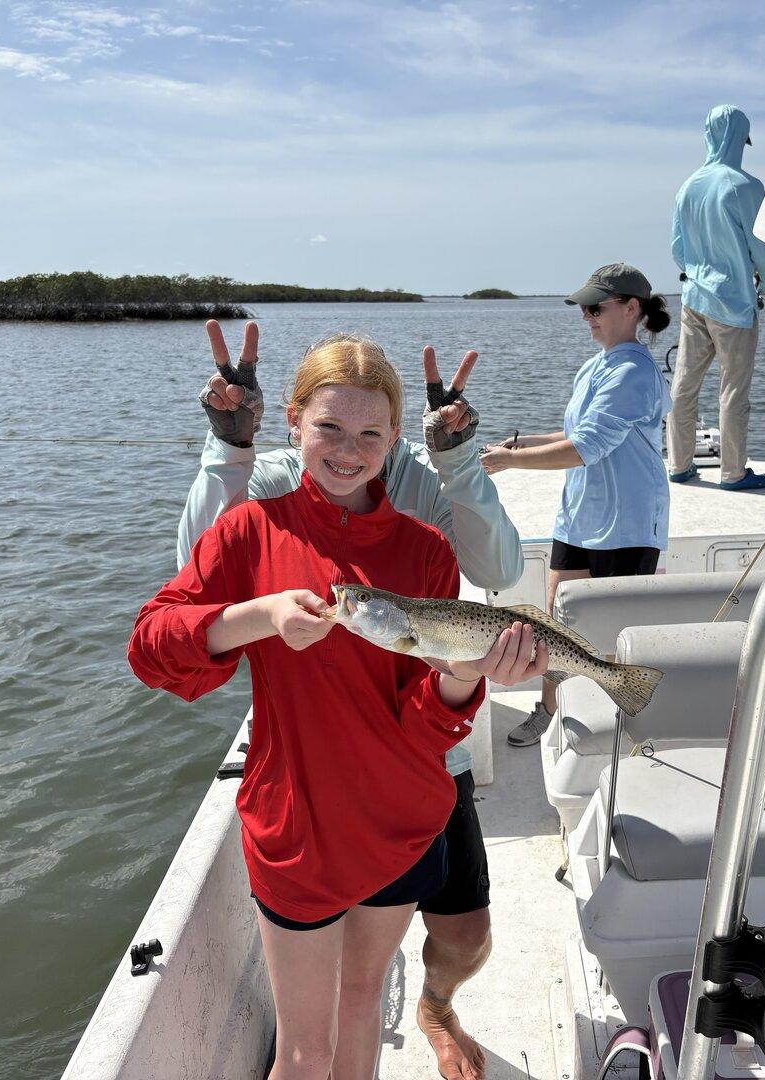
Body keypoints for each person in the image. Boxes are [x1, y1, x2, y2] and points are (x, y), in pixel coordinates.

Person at [131, 330, 547, 1080]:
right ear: (292, 422)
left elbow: (428, 718)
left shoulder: (425, 547)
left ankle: (436, 1008)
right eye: (328, 427)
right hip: (299, 826)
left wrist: (462, 678)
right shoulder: (252, 525)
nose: (348, 449)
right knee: (304, 1050)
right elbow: (155, 644)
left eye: (369, 433)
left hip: (404, 815)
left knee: (361, 1003)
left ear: (396, 438)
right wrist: (256, 616)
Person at [480, 263, 671, 747]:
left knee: (617, 630)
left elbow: (590, 447)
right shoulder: (597, 364)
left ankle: (627, 721)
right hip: (580, 518)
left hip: (626, 525)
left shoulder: (634, 371)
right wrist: (524, 444)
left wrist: (510, 464)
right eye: (583, 308)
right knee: (555, 623)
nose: (586, 316)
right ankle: (549, 710)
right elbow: (574, 434)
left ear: (632, 308)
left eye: (595, 307)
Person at [668, 104, 765, 491]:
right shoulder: (746, 186)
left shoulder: (688, 186)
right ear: (740, 140)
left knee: (684, 386)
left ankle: (679, 465)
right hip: (733, 303)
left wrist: (697, 273)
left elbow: (678, 248)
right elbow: (762, 249)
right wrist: (763, 281)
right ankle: (733, 472)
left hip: (693, 300)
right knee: (732, 390)